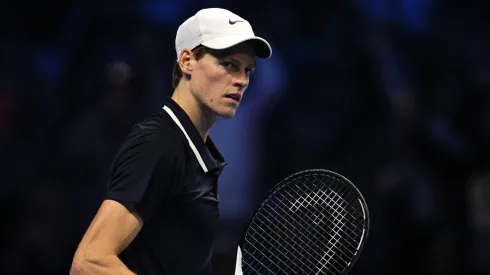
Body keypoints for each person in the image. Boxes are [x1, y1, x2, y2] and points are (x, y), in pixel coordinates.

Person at [70, 7, 272, 275]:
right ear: (187, 61)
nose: (241, 81)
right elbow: (89, 261)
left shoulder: (196, 153)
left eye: (247, 70)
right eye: (229, 64)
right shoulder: (159, 143)